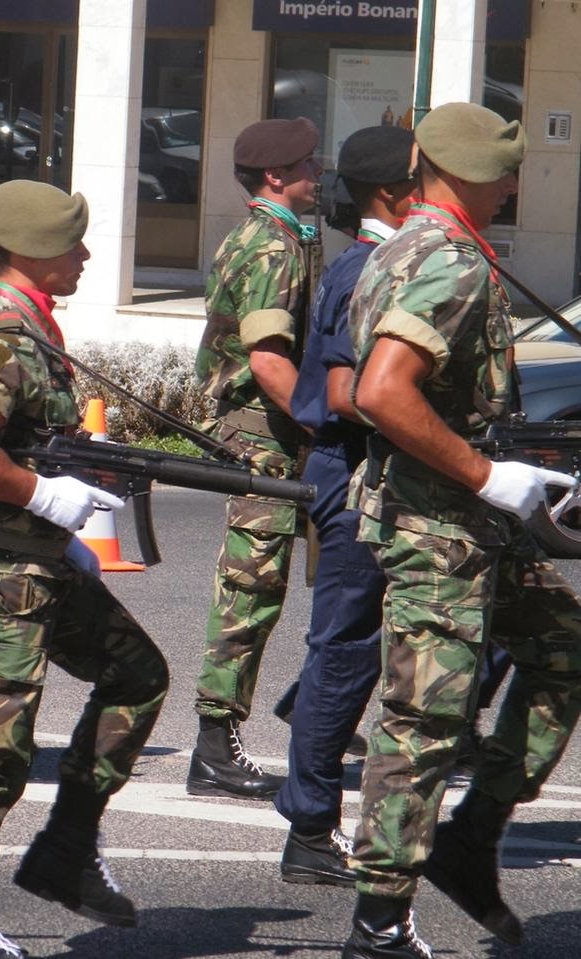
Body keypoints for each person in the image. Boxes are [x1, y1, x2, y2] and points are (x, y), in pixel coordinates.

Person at [341, 102, 581, 958]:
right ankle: (377, 923)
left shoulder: (408, 243)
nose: (512, 185)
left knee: (562, 648)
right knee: (424, 719)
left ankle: (469, 839)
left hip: (464, 518)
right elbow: (379, 390)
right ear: (466, 174)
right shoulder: (447, 261)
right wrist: (486, 474)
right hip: (439, 524)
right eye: (504, 173)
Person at [0, 179, 170, 958]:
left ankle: (65, 846)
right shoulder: (2, 334)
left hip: (35, 558)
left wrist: (69, 483)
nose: (86, 253)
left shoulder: (26, 323)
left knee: (136, 674)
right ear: (28, 251)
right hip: (4, 571)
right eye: (70, 242)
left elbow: (19, 437)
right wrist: (42, 496)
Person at [273, 124, 415, 887]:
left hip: (376, 473)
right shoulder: (367, 268)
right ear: (393, 193)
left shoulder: (381, 261)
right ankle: (308, 824)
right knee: (344, 649)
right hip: (355, 471)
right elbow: (339, 392)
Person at [188, 117, 321, 801]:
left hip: (275, 428)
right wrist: (325, 425)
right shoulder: (270, 245)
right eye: (307, 164)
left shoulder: (277, 235)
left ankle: (315, 703)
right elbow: (268, 363)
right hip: (264, 431)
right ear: (276, 176)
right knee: (251, 587)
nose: (317, 173)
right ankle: (214, 744)